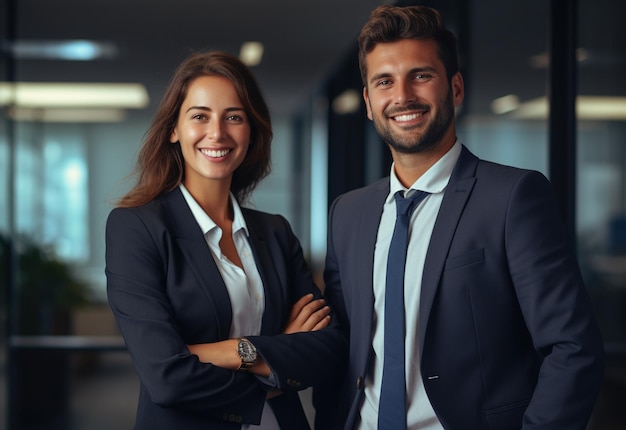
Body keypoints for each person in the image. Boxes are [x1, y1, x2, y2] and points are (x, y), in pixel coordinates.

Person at [321, 5, 605, 430]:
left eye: (421, 75)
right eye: (384, 81)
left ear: (455, 88)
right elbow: (343, 345)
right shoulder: (349, 212)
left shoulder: (512, 198)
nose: (402, 96)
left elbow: (572, 347)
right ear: (367, 101)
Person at [105, 50, 345, 430]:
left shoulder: (276, 232)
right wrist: (276, 356)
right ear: (174, 129)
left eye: (234, 117)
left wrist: (231, 353)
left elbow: (328, 348)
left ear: (251, 132)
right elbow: (166, 378)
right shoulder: (136, 228)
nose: (217, 133)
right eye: (200, 116)